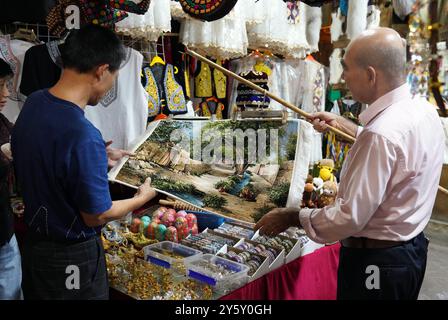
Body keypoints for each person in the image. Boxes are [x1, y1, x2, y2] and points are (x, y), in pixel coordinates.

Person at [255, 27, 445, 300]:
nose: (343, 76)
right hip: (408, 253)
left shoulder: (381, 135)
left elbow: (350, 217)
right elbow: (399, 155)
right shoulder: (423, 110)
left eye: (346, 68)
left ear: (370, 75)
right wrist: (350, 129)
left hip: (377, 263)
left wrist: (293, 216)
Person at [11, 25, 157, 300]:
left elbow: (42, 156)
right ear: (102, 70)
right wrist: (142, 198)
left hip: (35, 247)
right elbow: (97, 214)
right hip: (70, 259)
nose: (111, 84)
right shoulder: (83, 134)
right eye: (114, 75)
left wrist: (94, 159)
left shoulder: (35, 103)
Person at [0, 58, 22, 300]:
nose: (6, 93)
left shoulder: (2, 122)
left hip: (4, 229)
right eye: (1, 86)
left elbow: (33, 137)